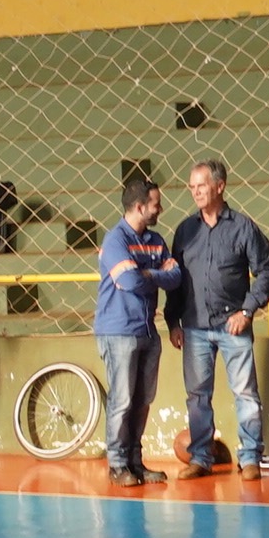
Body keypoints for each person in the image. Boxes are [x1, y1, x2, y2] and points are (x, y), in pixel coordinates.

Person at [167, 158, 269, 479]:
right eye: (192, 187)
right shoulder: (185, 231)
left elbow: (266, 271)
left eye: (201, 185)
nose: (196, 192)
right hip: (194, 327)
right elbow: (176, 280)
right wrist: (173, 322)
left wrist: (247, 310)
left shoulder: (243, 227)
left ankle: (250, 457)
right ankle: (201, 458)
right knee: (197, 396)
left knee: (245, 394)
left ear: (220, 186)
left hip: (233, 326)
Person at [92, 179, 181, 486]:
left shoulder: (156, 240)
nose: (160, 208)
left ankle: (134, 462)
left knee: (142, 400)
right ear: (140, 207)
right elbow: (129, 282)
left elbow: (176, 277)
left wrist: (146, 273)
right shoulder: (115, 240)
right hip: (118, 331)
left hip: (147, 331)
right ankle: (117, 465)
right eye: (156, 204)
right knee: (122, 400)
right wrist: (156, 275)